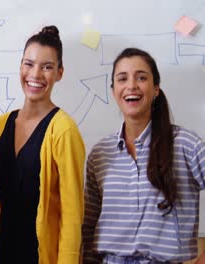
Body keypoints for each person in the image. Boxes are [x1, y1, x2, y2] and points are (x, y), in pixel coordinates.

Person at [82, 48, 205, 263]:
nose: (131, 86)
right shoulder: (100, 154)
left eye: (141, 77)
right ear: (113, 91)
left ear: (156, 88)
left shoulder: (185, 144)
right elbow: (89, 226)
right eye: (122, 79)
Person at [0, 25, 86, 264]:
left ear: (59, 73)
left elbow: (72, 216)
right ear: (20, 66)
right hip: (3, 255)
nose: (35, 74)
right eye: (28, 64)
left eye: (47, 67)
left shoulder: (64, 130)